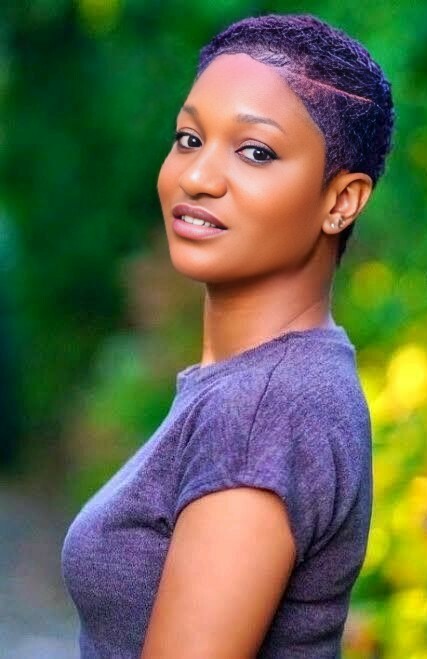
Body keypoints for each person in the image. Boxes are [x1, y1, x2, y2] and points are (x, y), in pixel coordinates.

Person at [62, 13, 394, 658]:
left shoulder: (263, 409)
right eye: (189, 139)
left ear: (341, 201)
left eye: (255, 152)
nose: (197, 177)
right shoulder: (277, 383)